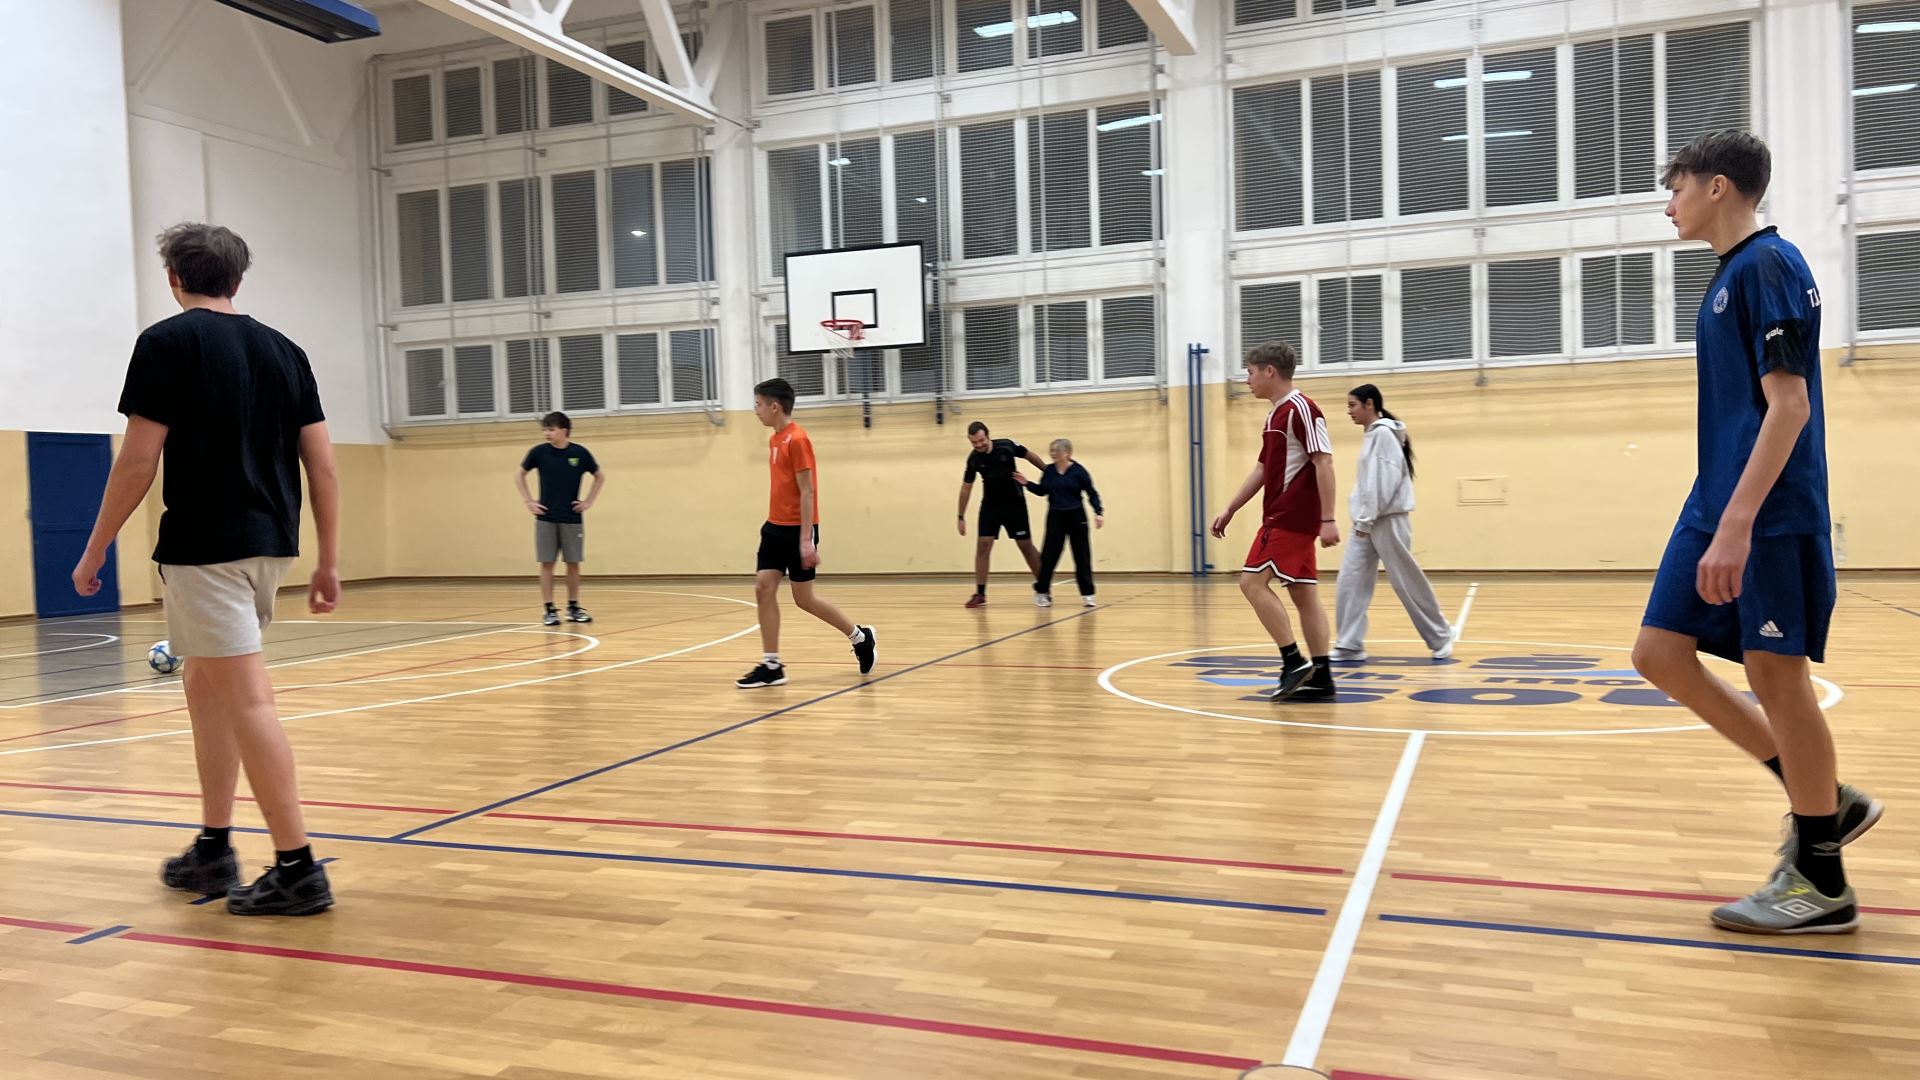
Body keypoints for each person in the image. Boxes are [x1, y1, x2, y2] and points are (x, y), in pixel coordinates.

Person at [1630, 130, 1880, 935]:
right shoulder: (1728, 276)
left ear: (1718, 187)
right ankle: (1823, 797)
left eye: (1676, 188)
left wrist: (1738, 525)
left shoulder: (1770, 265)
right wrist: (1719, 514)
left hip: (1766, 513)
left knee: (1777, 677)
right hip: (1714, 500)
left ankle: (1822, 880)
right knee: (1659, 653)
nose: (1668, 205)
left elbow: (1790, 406)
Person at [72, 223, 338, 916]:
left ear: (174, 277)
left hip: (207, 549)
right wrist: (329, 559)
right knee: (204, 684)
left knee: (247, 700)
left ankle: (298, 868)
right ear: (237, 279)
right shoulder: (286, 351)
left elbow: (138, 460)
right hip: (269, 546)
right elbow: (322, 466)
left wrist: (96, 547)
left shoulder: (165, 343)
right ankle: (215, 846)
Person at [1209, 342, 1340, 702]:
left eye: (1250, 372)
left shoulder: (1302, 409)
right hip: (1288, 517)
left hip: (1289, 517)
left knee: (1251, 583)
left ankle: (1293, 661)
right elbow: (1262, 469)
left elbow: (1324, 462)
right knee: (1304, 594)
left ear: (1270, 371)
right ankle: (1322, 677)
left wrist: (1328, 518)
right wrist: (1231, 508)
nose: (1246, 380)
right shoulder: (1274, 416)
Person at [735, 378, 877, 688]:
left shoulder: (797, 439)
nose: (755, 410)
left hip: (798, 530)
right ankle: (772, 665)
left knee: (804, 599)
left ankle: (860, 637)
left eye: (758, 404)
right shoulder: (775, 439)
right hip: (774, 527)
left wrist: (805, 540)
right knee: (763, 588)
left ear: (775, 406)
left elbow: (808, 491)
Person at [1333, 384, 1453, 662]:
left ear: (1369, 404)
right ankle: (1349, 644)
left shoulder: (1384, 435)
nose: (1349, 411)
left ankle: (1441, 635)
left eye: (1352, 405)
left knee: (1405, 582)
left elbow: (1382, 483)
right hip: (1367, 522)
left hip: (1387, 520)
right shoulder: (1372, 435)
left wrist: (1365, 521)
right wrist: (1363, 520)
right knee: (1350, 579)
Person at [515, 411, 605, 626]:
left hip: (572, 517)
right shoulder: (539, 452)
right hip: (546, 517)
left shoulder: (579, 453)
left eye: (551, 429)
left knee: (573, 563)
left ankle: (573, 607)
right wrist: (529, 501)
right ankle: (549, 609)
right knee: (547, 563)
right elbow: (519, 475)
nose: (547, 433)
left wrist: (588, 502)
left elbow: (600, 476)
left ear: (564, 430)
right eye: (545, 429)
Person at [957, 420, 1047, 608]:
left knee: (1026, 547)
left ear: (987, 436)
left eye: (981, 440)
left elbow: (1029, 455)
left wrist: (1048, 472)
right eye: (974, 442)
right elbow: (966, 487)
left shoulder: (1006, 446)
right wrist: (961, 516)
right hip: (990, 507)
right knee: (983, 546)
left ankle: (1044, 588)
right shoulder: (974, 459)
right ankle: (980, 593)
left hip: (1015, 504)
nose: (978, 445)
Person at [1013, 439, 1103, 608]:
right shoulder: (1049, 472)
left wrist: (1098, 512)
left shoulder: (1079, 471)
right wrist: (1026, 483)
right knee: (1049, 555)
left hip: (1076, 515)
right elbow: (1042, 491)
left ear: (1067, 453)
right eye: (1051, 450)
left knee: (1082, 555)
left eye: (1056, 450)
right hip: (1056, 516)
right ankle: (1042, 591)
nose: (1053, 453)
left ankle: (1088, 594)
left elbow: (1091, 493)